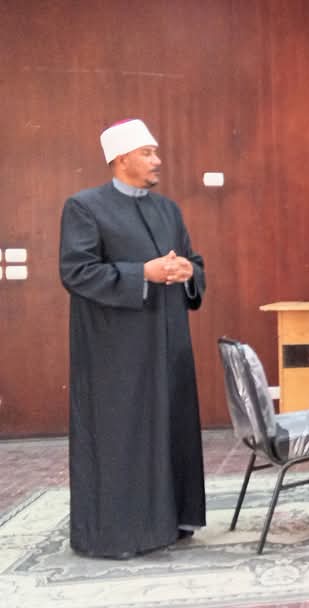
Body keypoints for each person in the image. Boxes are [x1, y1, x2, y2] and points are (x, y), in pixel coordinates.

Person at [59, 119, 207, 558]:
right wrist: (143, 273)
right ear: (121, 159)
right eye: (148, 153)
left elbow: (193, 261)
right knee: (124, 437)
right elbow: (77, 272)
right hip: (116, 354)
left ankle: (173, 522)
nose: (157, 160)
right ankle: (121, 535)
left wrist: (189, 272)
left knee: (171, 428)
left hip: (169, 346)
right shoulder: (84, 207)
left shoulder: (169, 210)